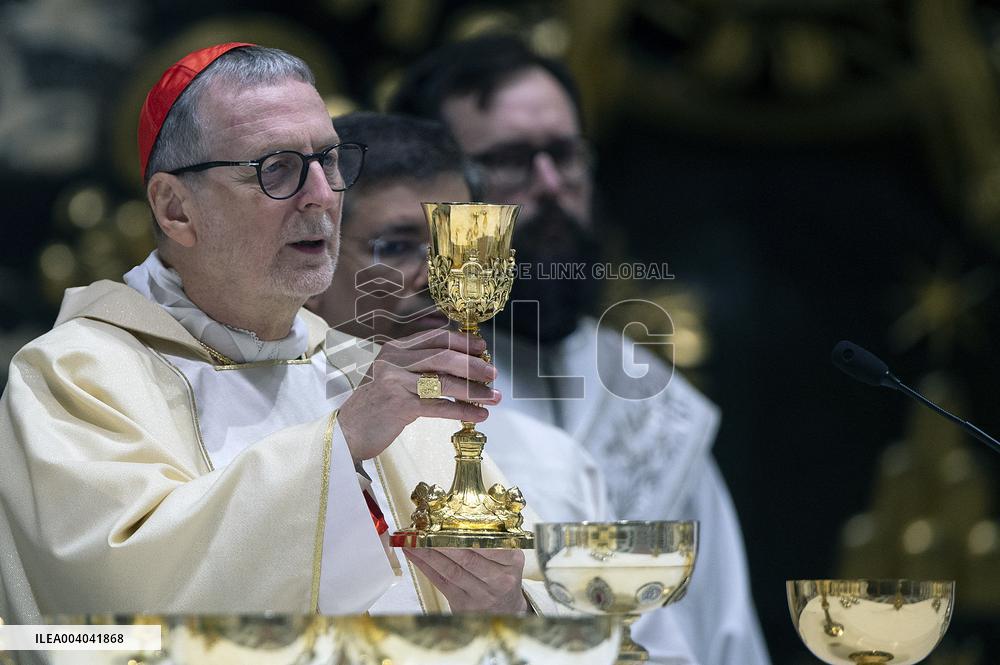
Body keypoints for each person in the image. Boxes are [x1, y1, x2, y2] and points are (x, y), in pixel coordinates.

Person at [0, 43, 531, 623]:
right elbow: (113, 622)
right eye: (275, 169)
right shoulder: (75, 381)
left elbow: (533, 617)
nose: (323, 196)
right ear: (176, 209)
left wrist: (503, 604)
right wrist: (341, 442)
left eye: (328, 161)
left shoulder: (365, 369)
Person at [390, 36, 770, 665]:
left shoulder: (655, 403)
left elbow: (726, 642)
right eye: (512, 160)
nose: (550, 184)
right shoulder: (395, 388)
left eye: (565, 156)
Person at [310, 110, 702, 663]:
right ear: (315, 261)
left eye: (459, 245)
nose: (439, 276)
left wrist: (514, 615)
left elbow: (639, 650)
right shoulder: (277, 449)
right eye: (396, 247)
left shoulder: (555, 465)